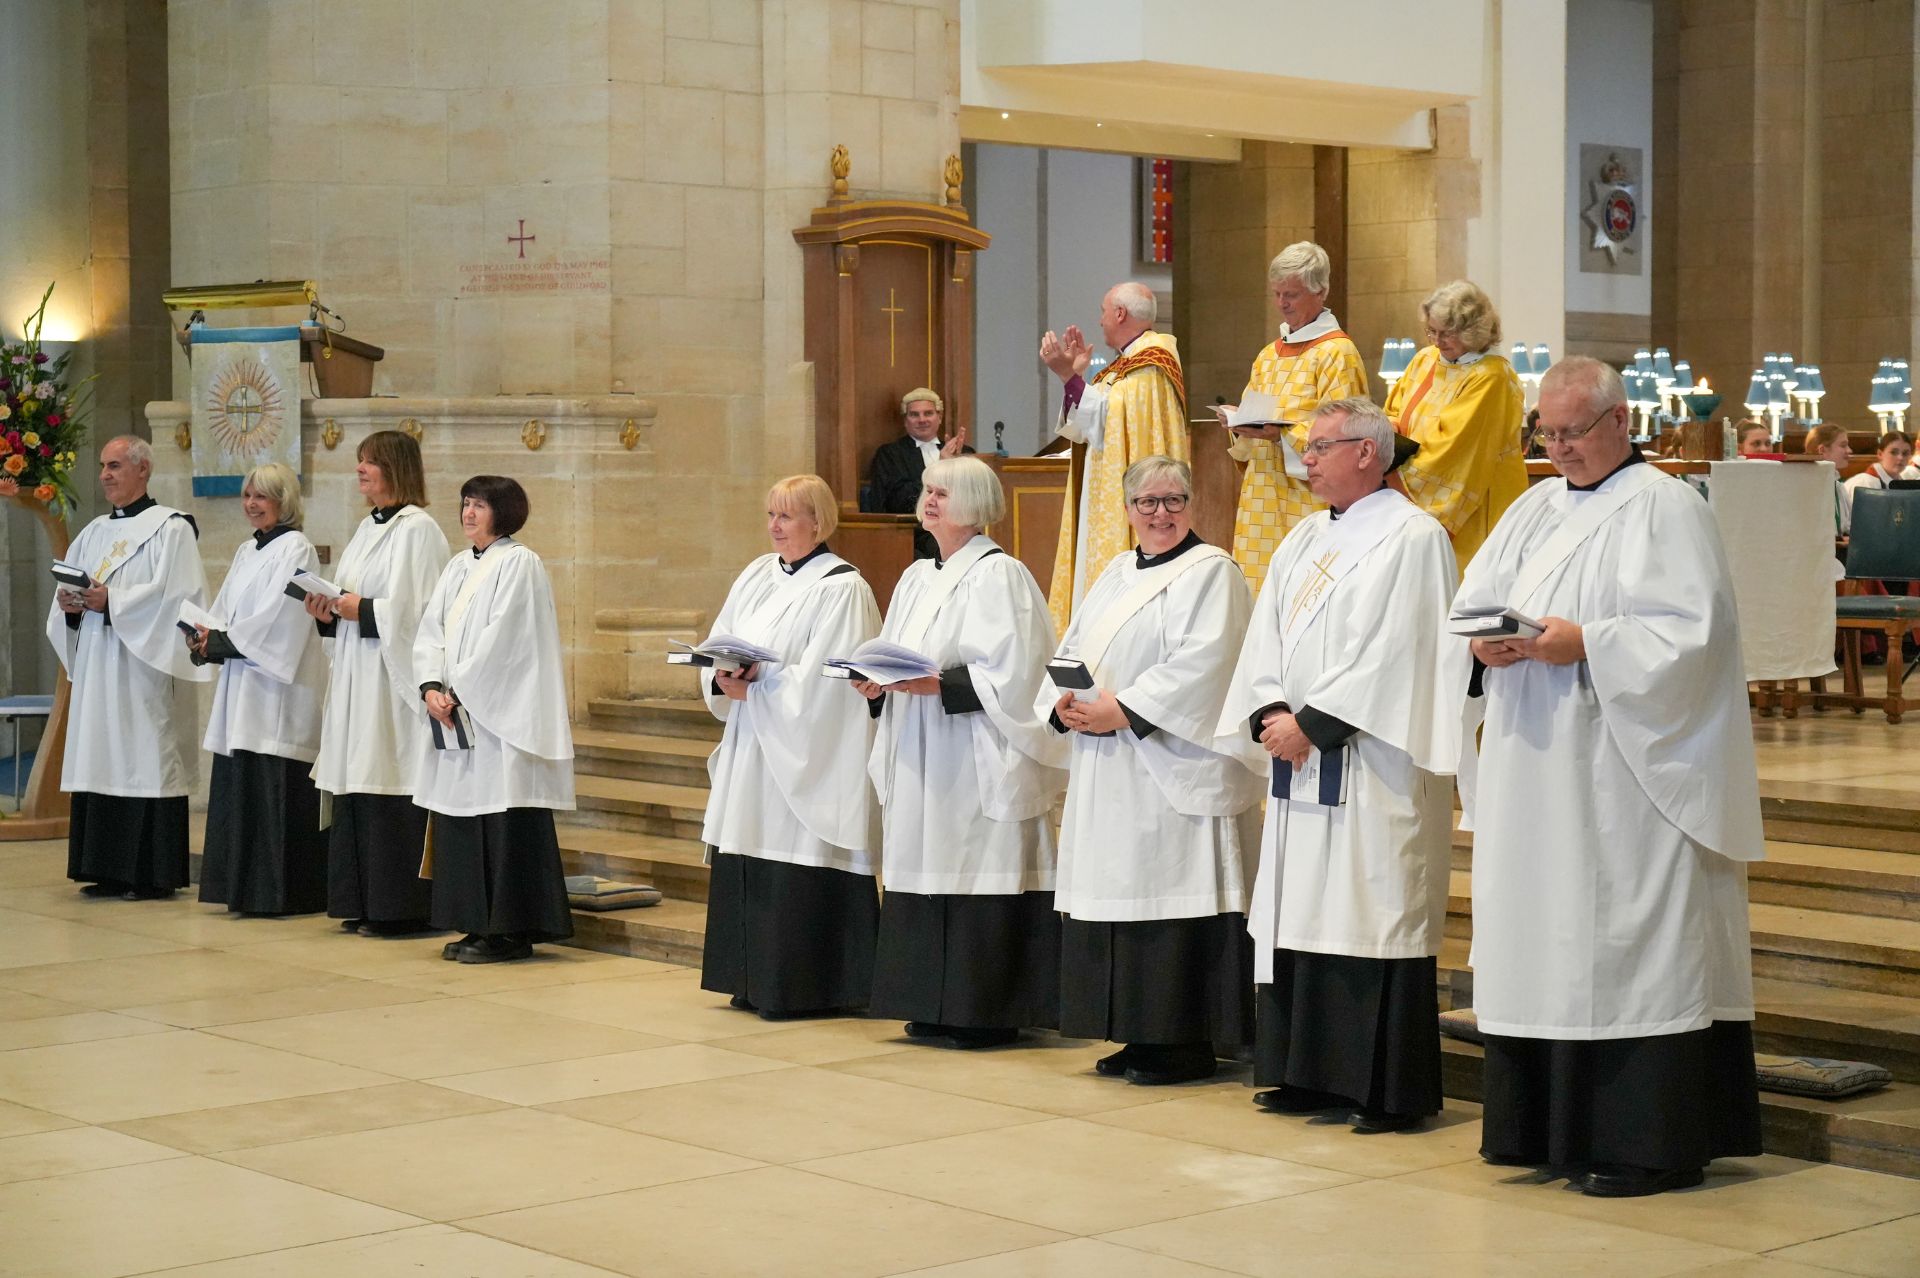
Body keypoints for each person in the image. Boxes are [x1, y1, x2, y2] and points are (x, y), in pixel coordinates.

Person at [1455, 355, 1764, 1197]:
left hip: (1627, 771)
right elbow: (1477, 598)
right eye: (1546, 433)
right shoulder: (1531, 507)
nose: (1558, 448)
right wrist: (1486, 644)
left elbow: (1695, 637)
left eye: (1573, 432)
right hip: (1536, 761)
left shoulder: (1665, 506)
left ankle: (1642, 1143)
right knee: (1546, 932)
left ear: (1620, 422)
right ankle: (1546, 1132)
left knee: (1625, 936)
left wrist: (1584, 640)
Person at [1218, 397, 1465, 1135]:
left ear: (1368, 452)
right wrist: (1269, 715)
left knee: (1369, 907)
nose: (1308, 460)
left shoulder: (1414, 537)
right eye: (1308, 447)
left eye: (1322, 447)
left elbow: (1402, 649)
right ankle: (1307, 1071)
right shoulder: (1301, 538)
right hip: (1300, 760)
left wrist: (1315, 726)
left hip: (1371, 759)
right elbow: (1266, 636)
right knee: (1305, 907)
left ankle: (1381, 1088)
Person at [1042, 455, 1261, 1086]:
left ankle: (1182, 1042)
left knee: (1168, 898)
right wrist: (1065, 701)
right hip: (1108, 766)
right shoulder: (1114, 572)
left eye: (1173, 501)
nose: (1160, 514)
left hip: (1171, 766)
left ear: (1192, 505)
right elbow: (1071, 647)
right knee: (1118, 900)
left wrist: (1126, 708)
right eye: (1147, 502)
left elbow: (1207, 662)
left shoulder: (1211, 572)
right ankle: (1138, 1036)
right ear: (1129, 508)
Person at [857, 457, 1067, 1048]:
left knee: (976, 862)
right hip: (921, 747)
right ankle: (928, 1001)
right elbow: (895, 651)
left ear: (973, 503)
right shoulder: (916, 578)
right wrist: (877, 682)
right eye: (926, 490)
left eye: (941, 493)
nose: (928, 501)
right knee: (923, 861)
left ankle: (984, 1010)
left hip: (975, 749)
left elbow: (1020, 670)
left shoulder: (1002, 575)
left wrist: (933, 685)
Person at [698, 475, 883, 1017]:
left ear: (818, 522)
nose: (775, 526)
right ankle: (750, 977)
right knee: (749, 843)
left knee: (793, 850)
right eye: (771, 515)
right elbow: (720, 639)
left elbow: (829, 681)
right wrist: (720, 676)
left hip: (805, 749)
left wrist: (761, 685)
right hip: (752, 740)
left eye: (787, 516)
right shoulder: (757, 574)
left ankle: (806, 984)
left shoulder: (843, 588)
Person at [414, 476, 575, 963]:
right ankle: (475, 924)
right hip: (457, 714)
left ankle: (509, 930)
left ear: (502, 513)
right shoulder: (458, 567)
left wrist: (457, 688)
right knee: (462, 819)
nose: (468, 513)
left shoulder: (519, 563)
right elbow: (430, 631)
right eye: (465, 503)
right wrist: (429, 687)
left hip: (499, 724)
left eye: (479, 505)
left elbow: (505, 643)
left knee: (502, 820)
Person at [46, 435, 212, 900]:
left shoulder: (171, 529)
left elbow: (181, 599)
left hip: (143, 666)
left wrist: (112, 601)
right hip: (99, 662)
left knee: (143, 755)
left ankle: (149, 874)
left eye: (115, 465)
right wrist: (72, 605)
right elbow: (67, 601)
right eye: (103, 466)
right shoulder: (94, 532)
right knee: (101, 753)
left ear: (143, 470)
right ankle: (105, 868)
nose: (105, 474)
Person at [305, 430, 450, 937]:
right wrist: (328, 610)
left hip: (392, 683)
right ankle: (362, 901)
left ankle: (401, 907)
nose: (360, 470)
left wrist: (359, 609)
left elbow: (423, 611)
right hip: (355, 673)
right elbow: (352, 597)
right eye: (359, 462)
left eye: (370, 462)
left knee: (387, 775)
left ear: (395, 468)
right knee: (356, 777)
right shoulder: (367, 526)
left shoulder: (419, 529)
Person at [190, 462, 330, 915]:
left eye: (262, 497)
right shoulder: (246, 549)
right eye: (248, 495)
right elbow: (225, 606)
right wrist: (203, 633)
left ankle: (281, 892)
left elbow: (280, 619)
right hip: (242, 684)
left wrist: (225, 641)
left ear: (283, 502)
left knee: (275, 782)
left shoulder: (297, 549)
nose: (252, 505)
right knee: (240, 781)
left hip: (276, 690)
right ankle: (243, 888)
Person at [1217, 242, 1369, 590]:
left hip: (1309, 500)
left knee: (1303, 591)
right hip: (1261, 494)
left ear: (1321, 292)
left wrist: (1282, 436)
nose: (1282, 304)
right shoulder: (1268, 355)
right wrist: (1239, 424)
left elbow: (1347, 433)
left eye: (1292, 294)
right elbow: (1251, 422)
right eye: (1277, 294)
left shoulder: (1337, 353)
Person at [1039, 281, 1189, 631]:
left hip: (1136, 496)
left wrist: (1065, 375)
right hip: (1106, 488)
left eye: (1103, 312)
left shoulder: (1151, 362)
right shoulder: (1127, 364)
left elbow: (1111, 420)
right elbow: (1083, 428)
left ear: (1120, 313)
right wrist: (1075, 376)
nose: (1101, 320)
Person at [1384, 280, 1527, 575]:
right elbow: (1393, 410)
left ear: (1473, 331)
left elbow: (1456, 450)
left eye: (1446, 333)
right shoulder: (1425, 360)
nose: (1436, 341)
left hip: (1472, 508)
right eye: (1431, 331)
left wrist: (1391, 475)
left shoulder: (1492, 376)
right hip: (1403, 477)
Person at [865, 388, 972, 560]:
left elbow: (973, 495)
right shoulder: (890, 454)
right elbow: (898, 500)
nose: (922, 420)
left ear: (940, 417)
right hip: (916, 533)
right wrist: (940, 466)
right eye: (914, 415)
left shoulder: (964, 452)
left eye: (928, 413)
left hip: (960, 527)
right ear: (906, 421)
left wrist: (955, 464)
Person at [1803, 424, 1854, 534]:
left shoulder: (1838, 485)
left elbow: (1848, 524)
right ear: (1822, 450)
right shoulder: (1806, 486)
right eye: (1843, 445)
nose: (1849, 450)